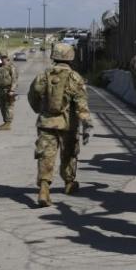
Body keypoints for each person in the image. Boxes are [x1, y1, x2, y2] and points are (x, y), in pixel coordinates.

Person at [27, 43, 93, 207]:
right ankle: (69, 184)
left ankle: (44, 188)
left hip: (46, 123)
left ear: (54, 56)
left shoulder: (44, 75)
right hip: (67, 125)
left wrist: (39, 110)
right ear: (70, 57)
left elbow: (32, 95)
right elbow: (81, 105)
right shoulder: (75, 77)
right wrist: (86, 124)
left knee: (46, 156)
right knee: (69, 154)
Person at [0, 50, 18, 131]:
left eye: (4, 57)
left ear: (7, 57)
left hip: (8, 89)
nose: (3, 59)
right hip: (0, 89)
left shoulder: (11, 67)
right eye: (2, 57)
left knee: (8, 106)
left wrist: (12, 90)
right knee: (1, 105)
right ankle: (5, 122)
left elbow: (14, 79)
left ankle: (8, 123)